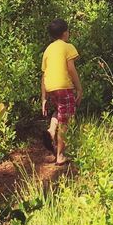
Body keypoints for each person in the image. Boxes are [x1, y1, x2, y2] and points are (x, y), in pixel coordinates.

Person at [40, 18, 81, 165]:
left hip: (50, 86)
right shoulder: (67, 47)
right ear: (65, 33)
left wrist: (44, 98)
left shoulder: (48, 50)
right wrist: (79, 88)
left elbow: (44, 75)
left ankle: (51, 131)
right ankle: (60, 155)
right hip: (64, 86)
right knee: (66, 119)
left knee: (59, 111)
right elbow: (71, 69)